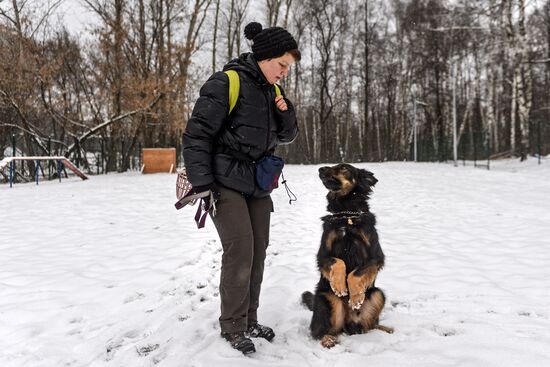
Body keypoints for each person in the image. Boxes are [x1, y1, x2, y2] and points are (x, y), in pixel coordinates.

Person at [182, 22, 300, 354]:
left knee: (258, 249)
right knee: (241, 249)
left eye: (287, 68)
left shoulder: (273, 91)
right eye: (282, 65)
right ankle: (232, 326)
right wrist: (202, 182)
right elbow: (196, 135)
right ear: (264, 57)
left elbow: (287, 135)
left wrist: (287, 113)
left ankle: (249, 319)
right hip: (223, 180)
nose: (284, 73)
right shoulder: (226, 83)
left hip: (258, 183)